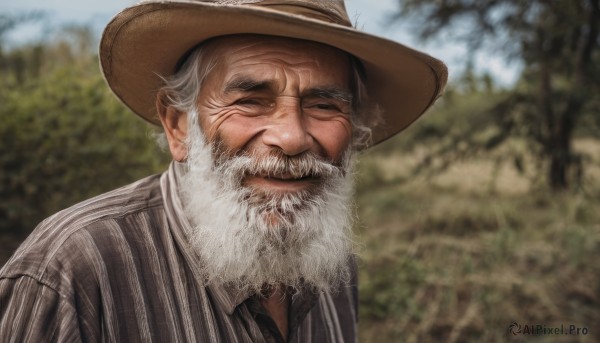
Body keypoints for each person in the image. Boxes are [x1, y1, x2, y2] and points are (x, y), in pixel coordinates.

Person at [0, 0, 447, 342]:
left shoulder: (331, 261)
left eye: (324, 104)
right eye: (250, 101)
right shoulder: (71, 270)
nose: (291, 138)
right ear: (178, 124)